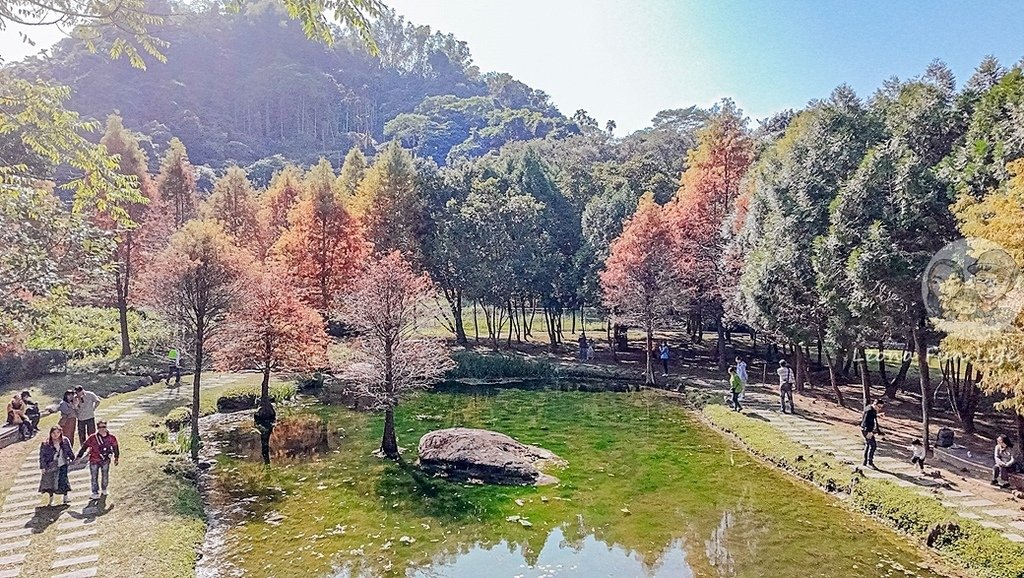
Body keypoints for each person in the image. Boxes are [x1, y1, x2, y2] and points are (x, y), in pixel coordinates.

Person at [76, 420, 119, 499]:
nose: (102, 429)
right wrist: (79, 456)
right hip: (94, 460)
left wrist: (116, 457)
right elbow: (85, 446)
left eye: (103, 427)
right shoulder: (92, 437)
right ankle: (95, 492)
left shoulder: (111, 438)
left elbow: (115, 447)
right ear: (97, 428)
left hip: (105, 460)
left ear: (106, 427)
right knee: (94, 477)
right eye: (100, 427)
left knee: (105, 475)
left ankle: (104, 489)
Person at [39, 425, 74, 506]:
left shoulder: (65, 441)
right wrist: (43, 467)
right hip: (51, 465)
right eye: (54, 433)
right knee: (50, 482)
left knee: (63, 480)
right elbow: (42, 456)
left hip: (62, 463)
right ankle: (51, 499)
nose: (55, 435)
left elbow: (69, 451)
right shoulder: (46, 443)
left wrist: (73, 459)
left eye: (58, 432)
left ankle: (65, 497)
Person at [860, 399, 885, 469]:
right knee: (873, 446)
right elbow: (865, 421)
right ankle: (869, 462)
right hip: (867, 430)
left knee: (868, 445)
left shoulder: (871, 409)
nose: (879, 409)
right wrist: (869, 432)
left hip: (867, 430)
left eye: (881, 407)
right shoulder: (869, 410)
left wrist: (877, 415)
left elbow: (871, 417)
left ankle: (865, 462)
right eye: (879, 407)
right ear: (875, 404)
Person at [254, 398, 277, 466]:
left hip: (265, 427)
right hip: (265, 426)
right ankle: (266, 457)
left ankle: (266, 457)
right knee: (265, 442)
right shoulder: (260, 411)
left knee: (265, 442)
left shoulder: (259, 411)